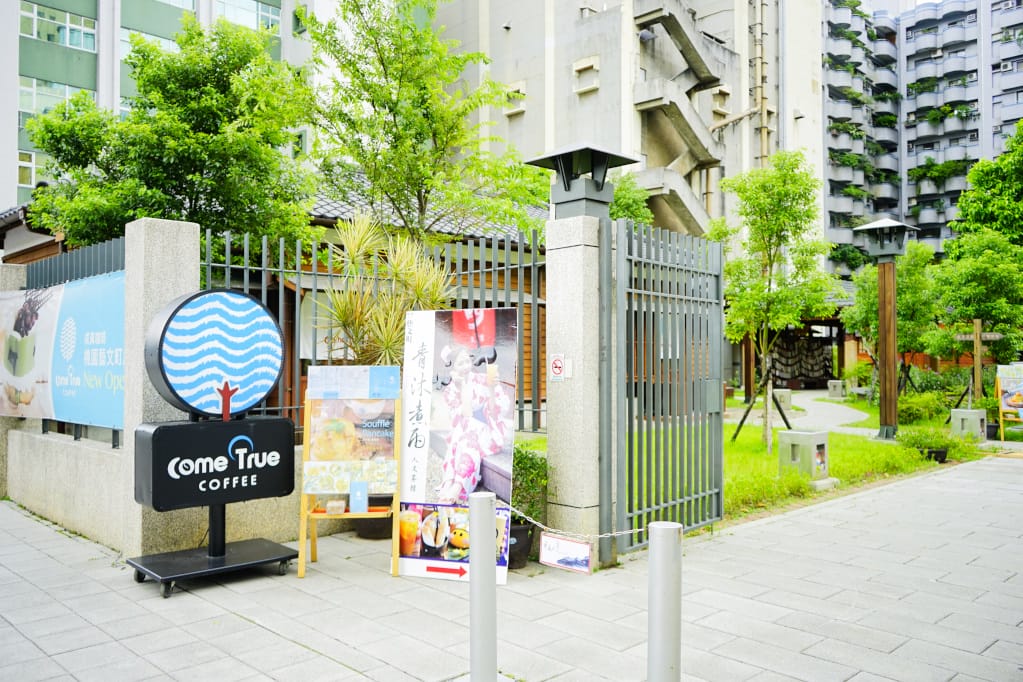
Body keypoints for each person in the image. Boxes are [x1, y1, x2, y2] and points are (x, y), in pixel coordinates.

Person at [435, 344, 512, 504]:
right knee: (465, 437)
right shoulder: (450, 390)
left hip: (488, 432)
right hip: (465, 434)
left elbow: (497, 411)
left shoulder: (483, 379)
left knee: (466, 434)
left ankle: (455, 485)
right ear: (453, 367)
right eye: (460, 364)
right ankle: (451, 483)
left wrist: (491, 389)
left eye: (467, 362)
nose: (465, 367)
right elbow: (463, 415)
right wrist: (461, 386)